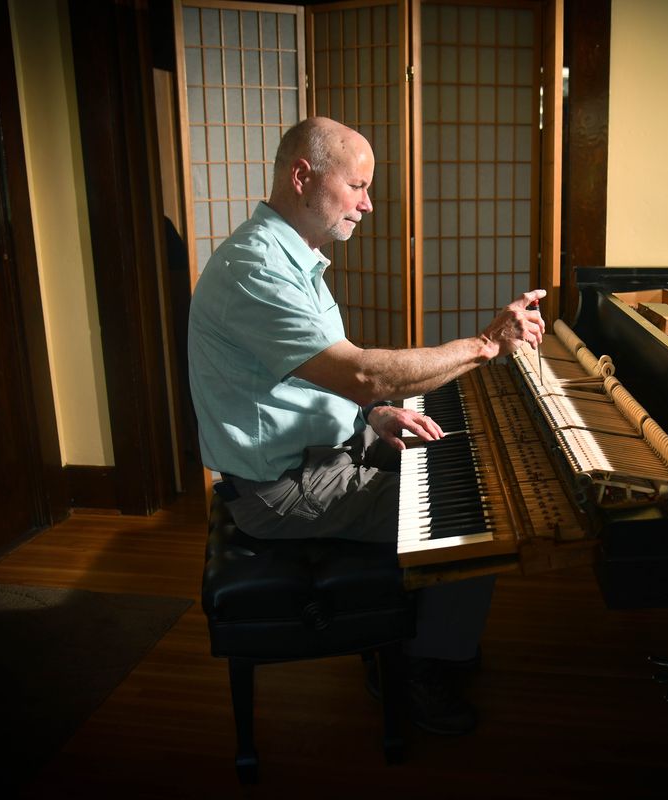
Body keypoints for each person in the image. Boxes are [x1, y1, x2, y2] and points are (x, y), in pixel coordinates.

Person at [188, 116, 545, 735]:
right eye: (357, 185)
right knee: (479, 520)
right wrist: (486, 344)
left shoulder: (292, 256)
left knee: (457, 462)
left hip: (328, 453)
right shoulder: (257, 268)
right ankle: (422, 669)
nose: (369, 203)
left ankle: (418, 637)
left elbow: (317, 378)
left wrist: (375, 415)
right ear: (304, 177)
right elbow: (361, 374)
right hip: (285, 488)